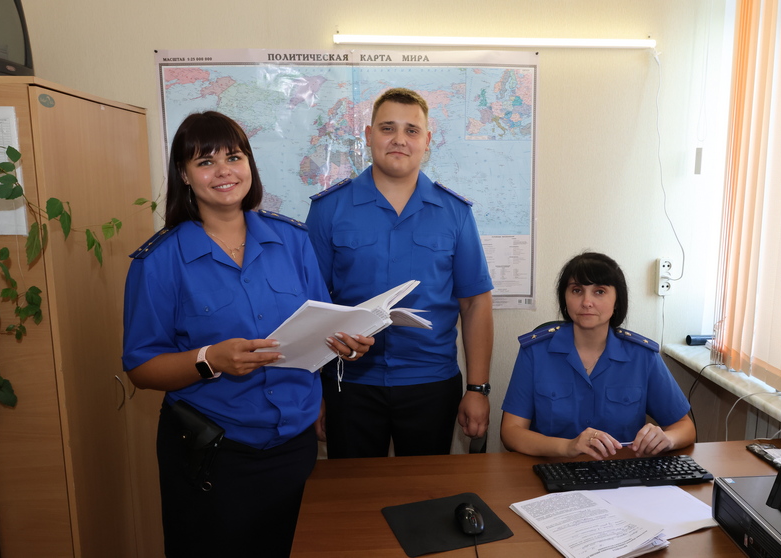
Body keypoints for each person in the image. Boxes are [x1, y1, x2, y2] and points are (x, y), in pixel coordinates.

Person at [121, 111, 373, 558]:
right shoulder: (159, 261)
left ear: (249, 164)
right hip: (214, 454)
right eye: (205, 161)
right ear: (184, 174)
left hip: (294, 448)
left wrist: (347, 345)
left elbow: (322, 327)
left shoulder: (292, 241)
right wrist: (209, 360)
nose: (224, 171)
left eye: (233, 157)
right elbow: (141, 367)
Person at [305, 87, 494, 458]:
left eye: (411, 130)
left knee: (425, 489)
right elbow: (310, 304)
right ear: (368, 135)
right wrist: (311, 390)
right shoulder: (329, 209)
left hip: (431, 382)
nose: (399, 139)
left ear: (427, 141)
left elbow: (475, 304)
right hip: (348, 382)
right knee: (353, 489)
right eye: (387, 128)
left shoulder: (455, 213)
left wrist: (478, 389)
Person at [500, 252, 696, 460]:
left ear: (617, 300)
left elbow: (685, 426)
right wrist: (568, 446)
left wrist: (667, 439)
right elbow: (511, 432)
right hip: (551, 467)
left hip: (621, 472)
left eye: (599, 291)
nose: (587, 302)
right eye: (577, 290)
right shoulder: (535, 352)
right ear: (564, 298)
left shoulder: (642, 356)